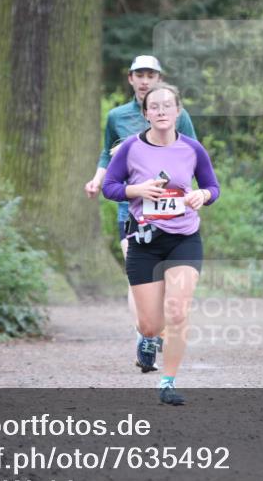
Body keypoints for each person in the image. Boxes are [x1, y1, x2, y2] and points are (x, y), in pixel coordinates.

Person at [102, 83, 219, 405]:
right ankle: (147, 338)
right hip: (144, 241)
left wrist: (203, 195)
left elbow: (212, 186)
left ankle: (167, 382)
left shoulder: (193, 148)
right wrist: (136, 191)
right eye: (155, 107)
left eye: (168, 106)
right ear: (146, 113)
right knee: (150, 324)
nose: (162, 111)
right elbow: (109, 187)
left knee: (178, 310)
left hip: (184, 239)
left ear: (178, 112)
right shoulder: (130, 148)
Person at [84, 55, 198, 372]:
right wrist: (97, 179)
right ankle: (145, 337)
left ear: (158, 78)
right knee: (137, 278)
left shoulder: (179, 114)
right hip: (131, 211)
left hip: (172, 213)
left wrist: (193, 193)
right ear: (130, 79)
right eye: (139, 75)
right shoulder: (117, 116)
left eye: (150, 74)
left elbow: (192, 152)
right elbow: (105, 154)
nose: (145, 80)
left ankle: (153, 326)